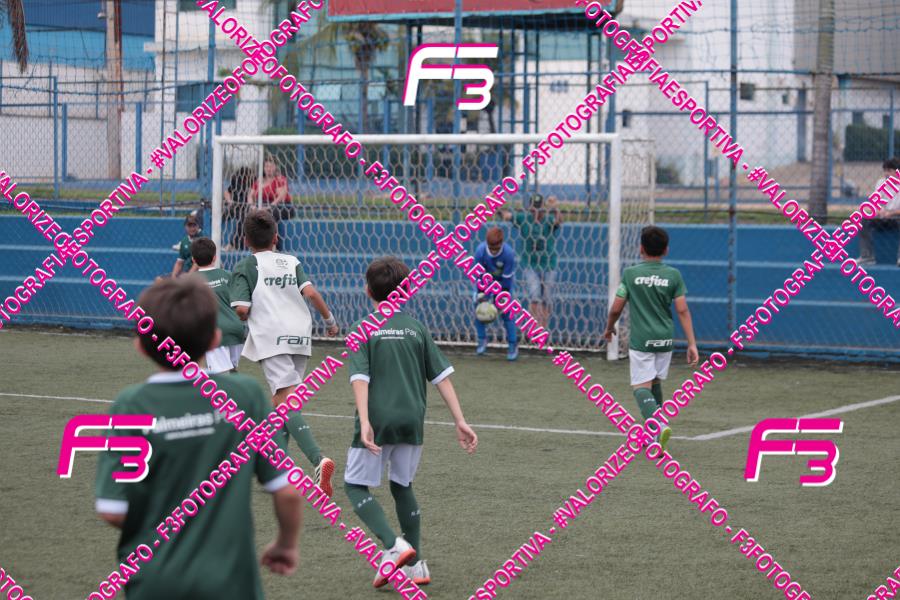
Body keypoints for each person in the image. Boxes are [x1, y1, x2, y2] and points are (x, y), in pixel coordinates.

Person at [94, 276, 303, 599]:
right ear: (215, 339)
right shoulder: (245, 396)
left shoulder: (130, 405)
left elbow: (112, 508)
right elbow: (287, 491)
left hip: (154, 582)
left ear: (140, 345)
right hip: (230, 582)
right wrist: (286, 544)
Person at [344, 257, 478, 589]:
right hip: (412, 420)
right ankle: (416, 566)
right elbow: (441, 377)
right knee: (402, 485)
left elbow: (360, 378)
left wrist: (365, 421)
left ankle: (394, 546)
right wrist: (460, 420)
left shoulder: (363, 328)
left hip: (379, 420)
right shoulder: (416, 328)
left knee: (353, 486)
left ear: (367, 290)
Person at [230, 209, 340, 496]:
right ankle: (277, 469)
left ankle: (318, 460)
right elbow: (311, 293)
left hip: (272, 338)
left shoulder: (246, 265)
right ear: (276, 238)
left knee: (285, 401)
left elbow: (241, 309)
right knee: (284, 403)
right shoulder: (291, 261)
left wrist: (243, 312)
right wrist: (330, 321)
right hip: (299, 336)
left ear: (245, 240)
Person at [603, 225, 699, 452]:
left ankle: (658, 425)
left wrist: (609, 327)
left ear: (641, 248)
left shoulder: (631, 274)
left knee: (640, 387)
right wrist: (692, 343)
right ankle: (652, 435)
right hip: (665, 339)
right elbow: (682, 309)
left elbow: (616, 307)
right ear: (666, 250)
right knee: (654, 382)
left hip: (642, 340)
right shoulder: (673, 275)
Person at [501, 193, 561, 329]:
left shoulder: (549, 219)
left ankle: (543, 328)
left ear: (543, 208)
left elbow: (558, 221)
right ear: (530, 208)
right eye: (534, 208)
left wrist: (555, 207)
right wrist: (496, 203)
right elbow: (506, 216)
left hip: (548, 264)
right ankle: (534, 327)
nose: (536, 212)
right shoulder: (523, 218)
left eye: (539, 208)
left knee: (546, 298)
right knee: (534, 295)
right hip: (530, 264)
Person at [191, 237, 247, 373]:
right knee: (232, 370)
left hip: (214, 331)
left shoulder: (190, 282)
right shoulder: (228, 275)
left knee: (220, 376)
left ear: (193, 260)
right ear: (215, 257)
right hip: (236, 330)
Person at [473, 226, 518, 360]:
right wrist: (482, 295)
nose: (493, 251)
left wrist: (501, 298)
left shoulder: (508, 254)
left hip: (502, 286)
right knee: (478, 308)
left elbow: (507, 280)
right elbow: (479, 276)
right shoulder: (480, 252)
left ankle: (513, 344)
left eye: (496, 249)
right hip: (484, 285)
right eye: (491, 248)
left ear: (501, 243)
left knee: (507, 312)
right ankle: (482, 339)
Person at [858, 157, 900, 266]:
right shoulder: (881, 182)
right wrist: (879, 211)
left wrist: (891, 213)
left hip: (896, 217)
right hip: (882, 216)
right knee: (864, 219)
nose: (886, 174)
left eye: (889, 170)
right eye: (885, 170)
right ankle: (867, 256)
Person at [224, 166, 255, 251]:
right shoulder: (236, 182)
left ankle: (232, 244)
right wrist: (230, 201)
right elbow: (227, 192)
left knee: (244, 219)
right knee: (221, 215)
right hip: (235, 206)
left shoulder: (254, 182)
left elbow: (252, 195)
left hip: (246, 208)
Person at [169, 213, 202, 278]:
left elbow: (198, 263)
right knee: (159, 280)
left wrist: (187, 276)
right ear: (185, 227)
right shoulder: (184, 241)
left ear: (198, 226)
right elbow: (179, 262)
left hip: (201, 273)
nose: (192, 228)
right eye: (189, 226)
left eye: (194, 226)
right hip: (187, 272)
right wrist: (173, 277)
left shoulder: (202, 240)